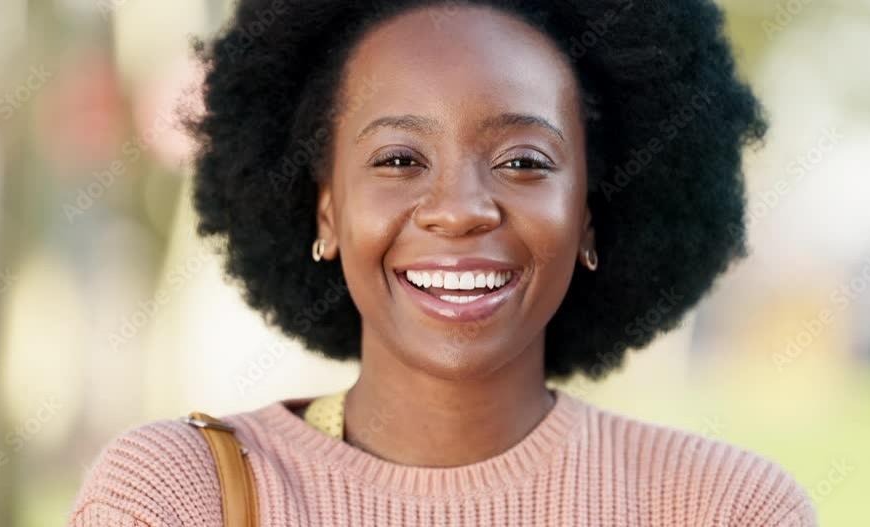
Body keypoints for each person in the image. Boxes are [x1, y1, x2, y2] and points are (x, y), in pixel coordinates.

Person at [68, 1, 817, 525]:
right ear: (326, 208)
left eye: (524, 160)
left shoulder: (724, 507)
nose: (459, 208)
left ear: (588, 210)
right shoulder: (174, 497)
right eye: (398, 158)